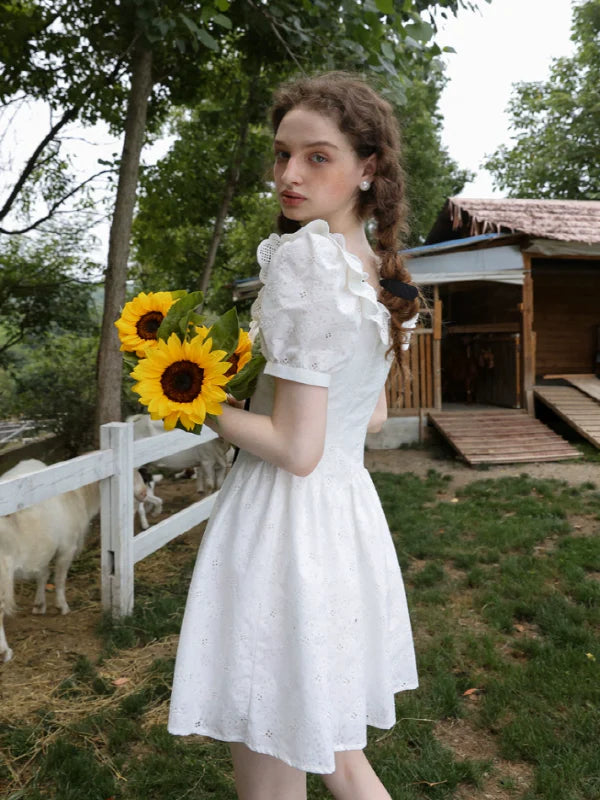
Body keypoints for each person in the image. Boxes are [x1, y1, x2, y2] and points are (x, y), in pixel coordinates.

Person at [168, 72, 420, 800]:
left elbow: (294, 449)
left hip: (284, 527)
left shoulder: (306, 262)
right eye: (282, 155)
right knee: (337, 757)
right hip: (343, 524)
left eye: (317, 157)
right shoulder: (376, 274)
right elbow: (366, 419)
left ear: (366, 167)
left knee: (275, 758)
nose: (288, 174)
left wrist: (190, 396)